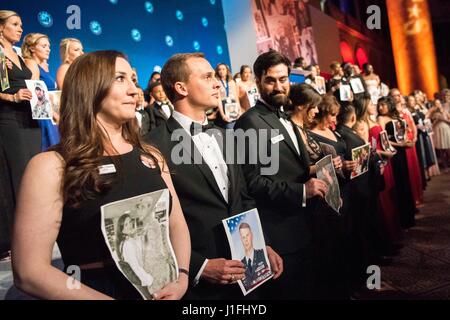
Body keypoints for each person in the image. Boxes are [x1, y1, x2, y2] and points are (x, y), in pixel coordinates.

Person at [12, 50, 191, 300]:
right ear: (89, 87)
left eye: (132, 79)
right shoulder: (51, 166)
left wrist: (182, 277)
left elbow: (176, 223)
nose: (134, 89)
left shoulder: (152, 155)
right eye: (120, 78)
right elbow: (29, 272)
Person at [146, 53, 283, 300]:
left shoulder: (226, 136)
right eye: (207, 77)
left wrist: (263, 244)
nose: (218, 83)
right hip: (199, 289)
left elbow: (243, 198)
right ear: (181, 87)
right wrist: (199, 267)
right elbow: (154, 225)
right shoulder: (153, 146)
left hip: (247, 276)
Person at [234, 50, 327, 300]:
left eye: (283, 79)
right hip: (280, 235)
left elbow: (290, 169)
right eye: (270, 80)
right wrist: (302, 191)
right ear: (257, 82)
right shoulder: (250, 122)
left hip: (304, 226)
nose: (278, 86)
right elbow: (252, 182)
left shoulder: (285, 118)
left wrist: (322, 169)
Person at [0, 10, 37, 203]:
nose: (20, 28)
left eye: (21, 25)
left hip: (29, 118)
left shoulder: (18, 55)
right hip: (9, 118)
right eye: (14, 24)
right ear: (1, 27)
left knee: (33, 169)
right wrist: (13, 97)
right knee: (21, 174)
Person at [21, 33, 60, 151]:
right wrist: (54, 114)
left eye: (48, 46)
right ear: (32, 48)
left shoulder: (41, 66)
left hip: (51, 114)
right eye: (44, 46)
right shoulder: (31, 63)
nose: (48, 49)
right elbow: (36, 93)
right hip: (45, 117)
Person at [115, 213, 154, 290]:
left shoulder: (126, 241)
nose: (130, 225)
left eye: (130, 222)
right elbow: (135, 267)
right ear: (121, 229)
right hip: (142, 281)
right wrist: (149, 280)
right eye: (126, 224)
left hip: (140, 278)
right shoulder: (127, 244)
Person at [238, 223, 269, 290]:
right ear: (241, 239)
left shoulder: (262, 254)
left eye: (247, 235)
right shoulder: (239, 264)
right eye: (243, 237)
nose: (246, 240)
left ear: (251, 235)